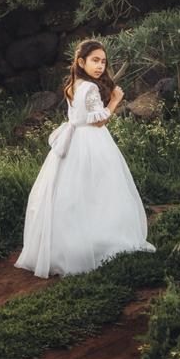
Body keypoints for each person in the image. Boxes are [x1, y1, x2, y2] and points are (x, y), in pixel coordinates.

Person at [14, 38, 156, 278]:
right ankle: (99, 239)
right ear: (81, 62)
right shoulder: (89, 87)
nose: (100, 66)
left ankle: (67, 245)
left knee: (72, 194)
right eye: (95, 61)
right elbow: (98, 119)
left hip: (74, 141)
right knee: (99, 191)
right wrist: (115, 100)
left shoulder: (73, 85)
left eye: (103, 61)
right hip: (90, 141)